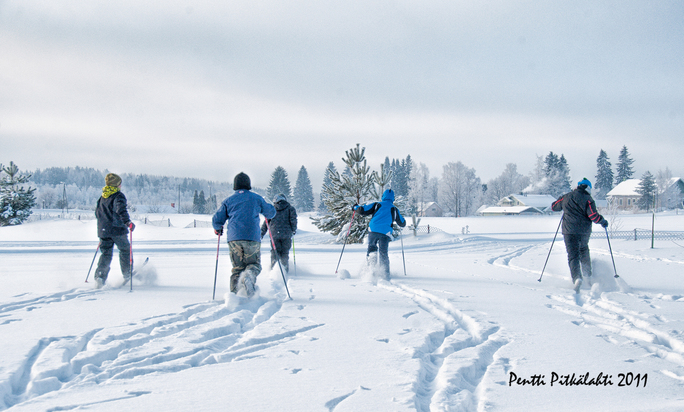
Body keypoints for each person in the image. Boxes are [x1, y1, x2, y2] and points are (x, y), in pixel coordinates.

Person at [212, 172, 276, 297]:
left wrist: (217, 228)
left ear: (235, 185)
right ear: (248, 185)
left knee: (237, 268)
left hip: (234, 238)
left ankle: (235, 296)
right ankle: (249, 276)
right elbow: (271, 213)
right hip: (252, 237)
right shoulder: (256, 198)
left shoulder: (229, 201)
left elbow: (217, 220)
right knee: (254, 265)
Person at [551, 178, 608, 293]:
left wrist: (564, 205)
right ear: (588, 188)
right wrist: (602, 221)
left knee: (573, 255)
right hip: (583, 232)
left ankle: (577, 278)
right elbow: (593, 216)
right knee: (583, 251)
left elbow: (553, 207)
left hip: (569, 232)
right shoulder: (588, 199)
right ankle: (588, 275)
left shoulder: (566, 196)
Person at [353, 189, 406, 279]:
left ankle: (370, 271)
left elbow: (362, 210)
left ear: (383, 196)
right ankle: (384, 274)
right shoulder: (394, 209)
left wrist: (355, 207)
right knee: (383, 252)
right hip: (385, 233)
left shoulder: (377, 204)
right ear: (393, 198)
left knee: (372, 249)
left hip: (373, 230)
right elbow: (402, 223)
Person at [94, 173, 135, 288]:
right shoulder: (118, 196)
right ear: (117, 184)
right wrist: (128, 222)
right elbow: (121, 210)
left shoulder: (103, 197)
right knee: (125, 250)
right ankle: (127, 273)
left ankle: (100, 277)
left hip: (103, 230)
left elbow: (97, 213)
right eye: (120, 183)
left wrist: (103, 227)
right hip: (117, 230)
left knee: (106, 254)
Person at [260, 194, 298, 272]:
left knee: (275, 252)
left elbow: (266, 223)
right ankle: (285, 270)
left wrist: (261, 233)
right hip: (286, 235)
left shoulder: (272, 209)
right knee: (285, 253)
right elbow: (293, 220)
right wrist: (293, 230)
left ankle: (273, 270)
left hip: (274, 235)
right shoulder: (290, 209)